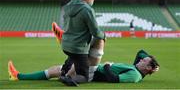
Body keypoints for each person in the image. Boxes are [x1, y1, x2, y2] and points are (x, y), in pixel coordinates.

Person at [54, 0, 106, 86]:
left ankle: (63, 72)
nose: (93, 1)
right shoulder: (87, 10)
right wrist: (103, 35)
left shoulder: (68, 5)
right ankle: (69, 78)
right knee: (84, 76)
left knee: (73, 56)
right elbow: (95, 32)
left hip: (66, 44)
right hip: (78, 48)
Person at [8, 50, 159, 83]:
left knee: (82, 56)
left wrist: (107, 65)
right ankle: (18, 76)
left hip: (95, 72)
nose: (140, 60)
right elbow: (140, 53)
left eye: (144, 62)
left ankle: (67, 75)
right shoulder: (137, 68)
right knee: (56, 69)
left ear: (147, 68)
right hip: (94, 69)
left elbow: (113, 79)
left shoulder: (135, 75)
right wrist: (153, 66)